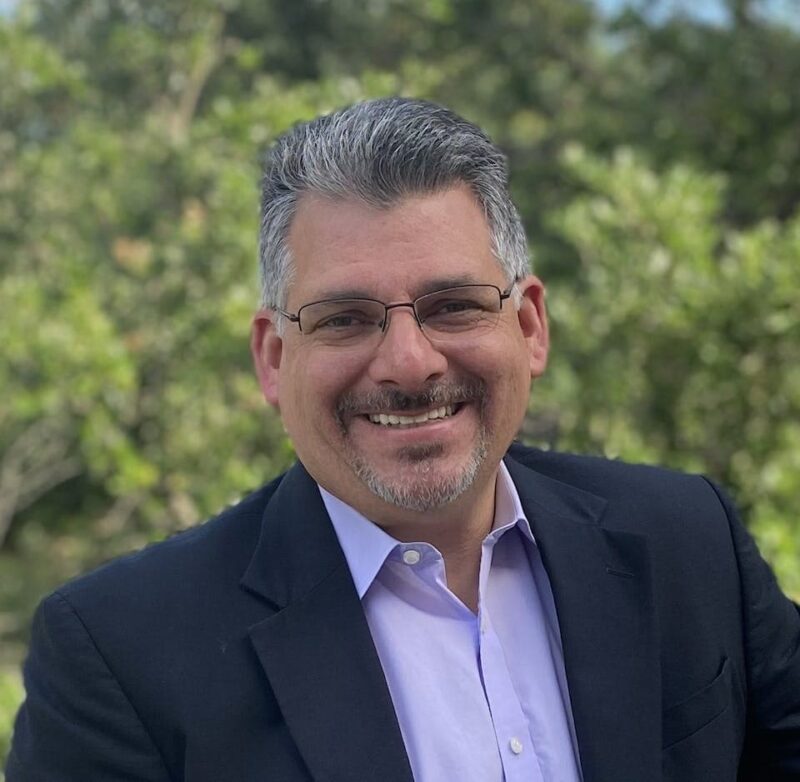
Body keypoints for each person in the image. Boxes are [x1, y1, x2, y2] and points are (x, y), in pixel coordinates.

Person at [6, 98, 800, 782]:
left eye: (453, 304)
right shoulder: (120, 652)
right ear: (275, 359)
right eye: (344, 318)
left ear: (528, 327)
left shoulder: (689, 543)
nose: (410, 362)